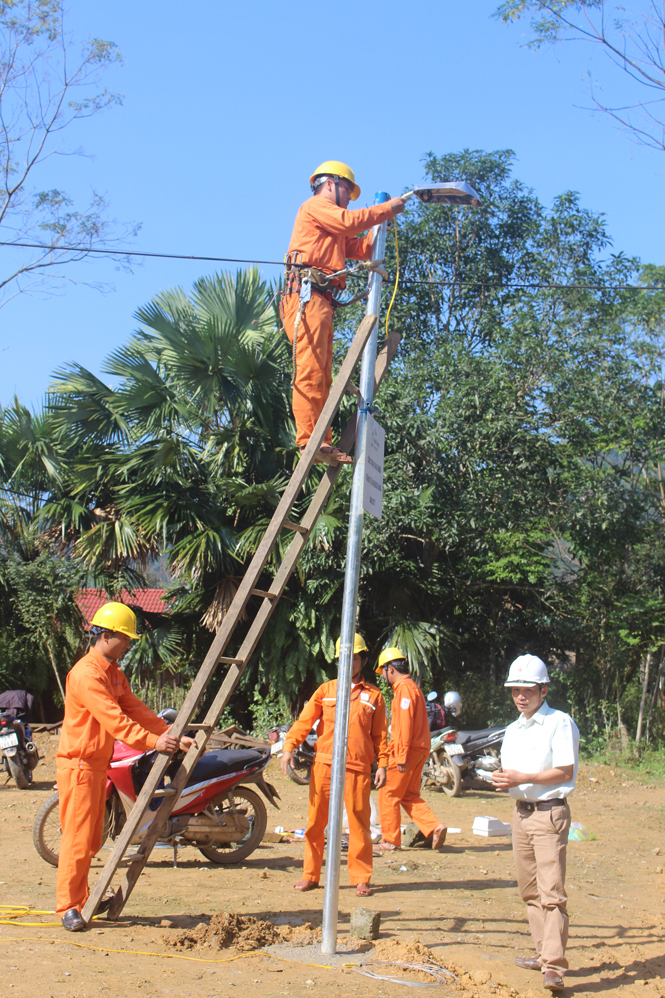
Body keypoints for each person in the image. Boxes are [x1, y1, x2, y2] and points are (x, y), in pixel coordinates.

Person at [56, 602, 194, 932]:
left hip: (96, 765)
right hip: (78, 766)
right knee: (78, 839)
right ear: (106, 635)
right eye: (125, 638)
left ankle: (83, 897)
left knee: (90, 840)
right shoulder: (87, 675)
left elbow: (135, 709)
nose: (129, 645)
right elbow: (115, 721)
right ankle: (68, 907)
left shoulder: (113, 673)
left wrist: (170, 733)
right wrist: (154, 743)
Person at [281, 161, 406, 463]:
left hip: (322, 300)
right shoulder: (315, 207)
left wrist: (381, 228)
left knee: (323, 376)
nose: (350, 196)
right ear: (329, 184)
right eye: (348, 189)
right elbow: (350, 222)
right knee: (310, 370)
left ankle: (320, 441)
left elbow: (361, 248)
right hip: (306, 298)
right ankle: (308, 440)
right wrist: (387, 208)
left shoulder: (332, 227)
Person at [492, 654, 580, 993]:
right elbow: (513, 773)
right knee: (530, 891)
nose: (520, 696)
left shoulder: (559, 722)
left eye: (527, 689)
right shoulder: (513, 728)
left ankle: (554, 968)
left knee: (552, 893)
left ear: (543, 689)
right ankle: (543, 953)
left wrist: (524, 777)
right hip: (521, 813)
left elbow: (565, 770)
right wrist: (504, 779)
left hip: (548, 814)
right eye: (515, 689)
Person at [280, 633, 388, 897]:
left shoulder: (374, 697)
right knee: (316, 823)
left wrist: (383, 764)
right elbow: (304, 722)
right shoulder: (326, 691)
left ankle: (361, 878)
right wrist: (288, 748)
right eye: (343, 658)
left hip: (357, 767)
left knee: (359, 824)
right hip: (325, 765)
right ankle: (310, 875)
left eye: (354, 658)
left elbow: (381, 736)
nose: (348, 662)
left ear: (362, 660)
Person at [376, 648, 446, 852]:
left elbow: (404, 725)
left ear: (390, 669)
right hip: (419, 749)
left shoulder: (404, 689)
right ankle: (434, 827)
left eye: (382, 671)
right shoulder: (412, 687)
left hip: (407, 750)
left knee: (388, 793)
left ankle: (390, 840)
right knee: (408, 794)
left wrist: (400, 755)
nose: (382, 676)